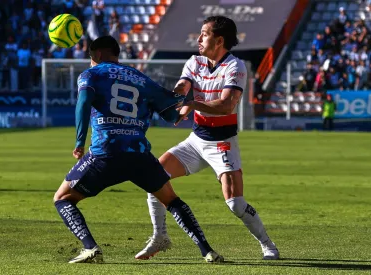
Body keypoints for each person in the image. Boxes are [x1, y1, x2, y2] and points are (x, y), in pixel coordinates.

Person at [52, 36, 224, 264]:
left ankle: (90, 248)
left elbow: (83, 103)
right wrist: (191, 100)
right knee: (172, 200)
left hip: (105, 153)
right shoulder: (141, 79)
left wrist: (79, 142)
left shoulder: (91, 74)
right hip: (139, 155)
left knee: (62, 198)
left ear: (97, 55)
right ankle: (207, 251)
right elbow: (172, 115)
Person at [135, 16, 280, 261]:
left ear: (219, 40)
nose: (199, 38)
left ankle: (268, 245)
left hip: (223, 142)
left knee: (235, 204)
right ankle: (160, 236)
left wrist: (191, 103)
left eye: (204, 34)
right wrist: (175, 100)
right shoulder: (195, 61)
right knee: (154, 178)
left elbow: (226, 105)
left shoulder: (235, 66)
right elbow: (183, 85)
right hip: (196, 141)